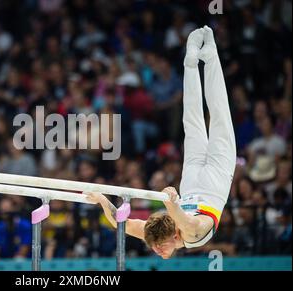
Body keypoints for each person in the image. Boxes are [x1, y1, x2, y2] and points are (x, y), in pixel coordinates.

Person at [87, 26, 237, 259]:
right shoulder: (192, 233)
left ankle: (192, 63)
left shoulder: (154, 230)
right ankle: (210, 56)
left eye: (155, 247)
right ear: (174, 238)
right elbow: (183, 220)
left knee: (194, 121)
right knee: (217, 116)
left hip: (193, 181)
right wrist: (170, 200)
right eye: (160, 246)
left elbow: (120, 222)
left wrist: (102, 199)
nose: (157, 250)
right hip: (211, 179)